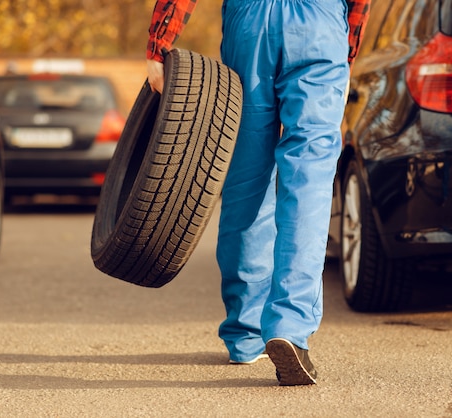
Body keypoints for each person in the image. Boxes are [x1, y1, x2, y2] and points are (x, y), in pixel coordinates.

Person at [146, 0, 370, 386]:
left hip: (250, 24)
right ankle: (289, 326)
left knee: (245, 180)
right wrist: (347, 47)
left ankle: (245, 334)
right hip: (320, 24)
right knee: (309, 181)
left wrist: (158, 44)